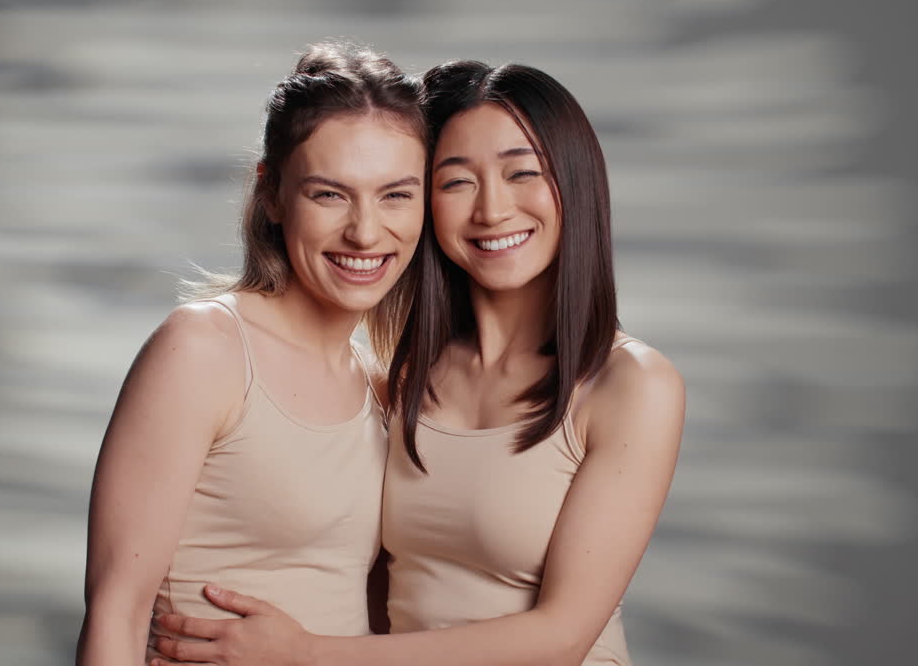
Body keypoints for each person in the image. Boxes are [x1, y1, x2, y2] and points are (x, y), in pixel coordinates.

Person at [150, 60, 685, 666]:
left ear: (577, 185)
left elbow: (562, 637)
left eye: (522, 174)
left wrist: (307, 654)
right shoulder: (396, 380)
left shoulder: (631, 384)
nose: (492, 210)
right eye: (457, 182)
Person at [75, 41, 430, 665]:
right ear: (271, 194)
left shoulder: (380, 387)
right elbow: (116, 612)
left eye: (396, 195)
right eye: (330, 195)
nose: (366, 232)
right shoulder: (204, 351)